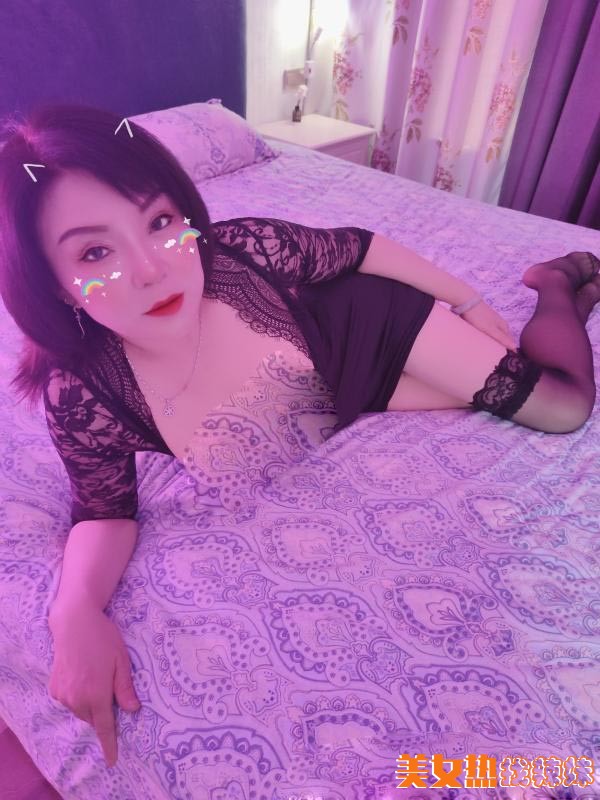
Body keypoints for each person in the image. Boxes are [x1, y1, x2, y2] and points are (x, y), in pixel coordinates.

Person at [0, 103, 597, 770]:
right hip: (335, 395)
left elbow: (361, 247)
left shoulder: (244, 249)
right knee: (490, 394)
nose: (151, 268)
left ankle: (554, 286)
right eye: (95, 251)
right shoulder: (86, 395)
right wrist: (75, 611)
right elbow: (105, 510)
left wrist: (469, 301)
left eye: (161, 221)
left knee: (561, 406)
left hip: (373, 327)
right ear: (55, 286)